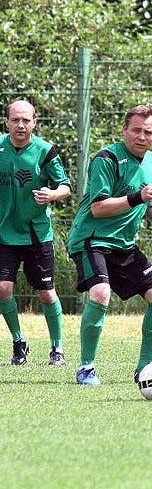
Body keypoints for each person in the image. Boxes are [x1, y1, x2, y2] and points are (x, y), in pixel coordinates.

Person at [67, 104, 152, 385]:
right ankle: (86, 367)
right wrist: (137, 197)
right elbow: (99, 208)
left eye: (148, 132)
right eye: (136, 130)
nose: (141, 136)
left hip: (124, 245)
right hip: (92, 239)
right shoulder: (106, 159)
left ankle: (145, 370)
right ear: (124, 130)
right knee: (101, 293)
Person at [1, 100, 72, 366]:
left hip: (36, 235)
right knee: (2, 289)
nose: (20, 125)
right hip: (4, 234)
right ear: (6, 122)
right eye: (15, 120)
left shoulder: (45, 151)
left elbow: (65, 186)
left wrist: (52, 194)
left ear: (34, 122)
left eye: (26, 120)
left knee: (46, 292)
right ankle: (19, 342)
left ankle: (57, 347)